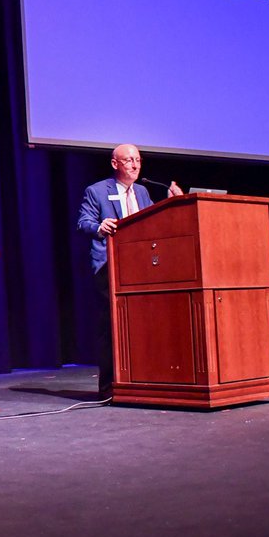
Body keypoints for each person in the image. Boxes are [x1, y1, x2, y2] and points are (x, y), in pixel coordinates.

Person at [76, 143, 182, 397]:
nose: (134, 165)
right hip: (109, 267)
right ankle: (109, 387)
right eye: (128, 160)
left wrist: (172, 205)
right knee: (111, 327)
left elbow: (152, 224)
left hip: (142, 268)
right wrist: (100, 226)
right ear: (115, 164)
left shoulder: (143, 192)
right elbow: (83, 222)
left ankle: (143, 380)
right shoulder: (97, 191)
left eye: (137, 160)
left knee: (143, 326)